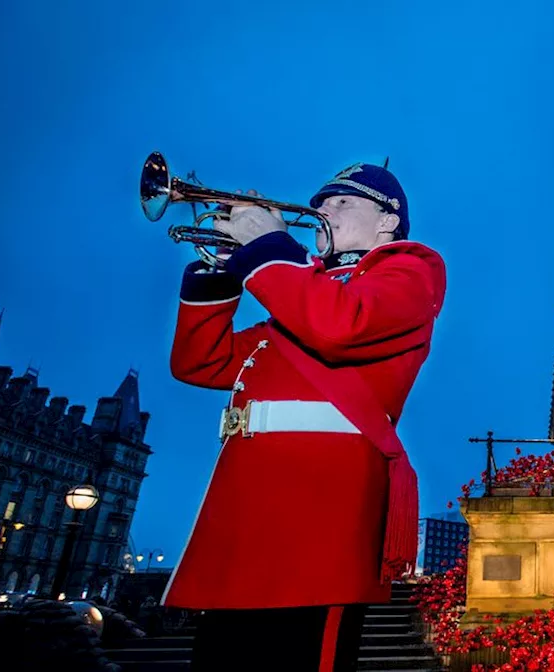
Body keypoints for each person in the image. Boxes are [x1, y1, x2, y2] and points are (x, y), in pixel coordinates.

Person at [163, 162, 446, 671]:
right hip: (242, 521)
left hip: (318, 517)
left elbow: (340, 325)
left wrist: (269, 251)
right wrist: (225, 267)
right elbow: (200, 362)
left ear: (387, 220)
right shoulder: (299, 295)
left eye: (341, 202)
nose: (320, 210)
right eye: (319, 201)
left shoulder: (408, 269)